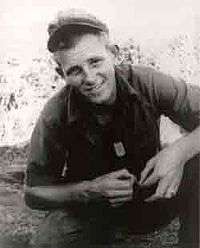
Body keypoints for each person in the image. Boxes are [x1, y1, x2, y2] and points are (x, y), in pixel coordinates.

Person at [24, 9, 200, 248]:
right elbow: (34, 192)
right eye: (74, 70)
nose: (89, 77)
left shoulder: (148, 82)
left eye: (95, 61)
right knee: (48, 241)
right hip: (95, 209)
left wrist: (177, 153)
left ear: (113, 53)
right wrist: (90, 190)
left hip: (157, 194)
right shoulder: (54, 113)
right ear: (61, 74)